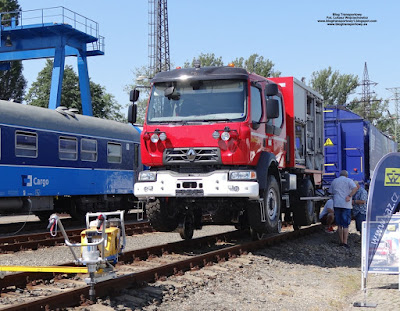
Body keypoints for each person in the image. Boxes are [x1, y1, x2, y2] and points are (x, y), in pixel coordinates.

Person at [329, 170, 358, 248]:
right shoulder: (349, 181)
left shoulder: (335, 181)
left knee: (339, 225)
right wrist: (349, 196)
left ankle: (341, 242)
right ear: (346, 175)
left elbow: (330, 191)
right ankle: (345, 242)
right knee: (345, 225)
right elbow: (355, 188)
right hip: (346, 205)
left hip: (337, 204)